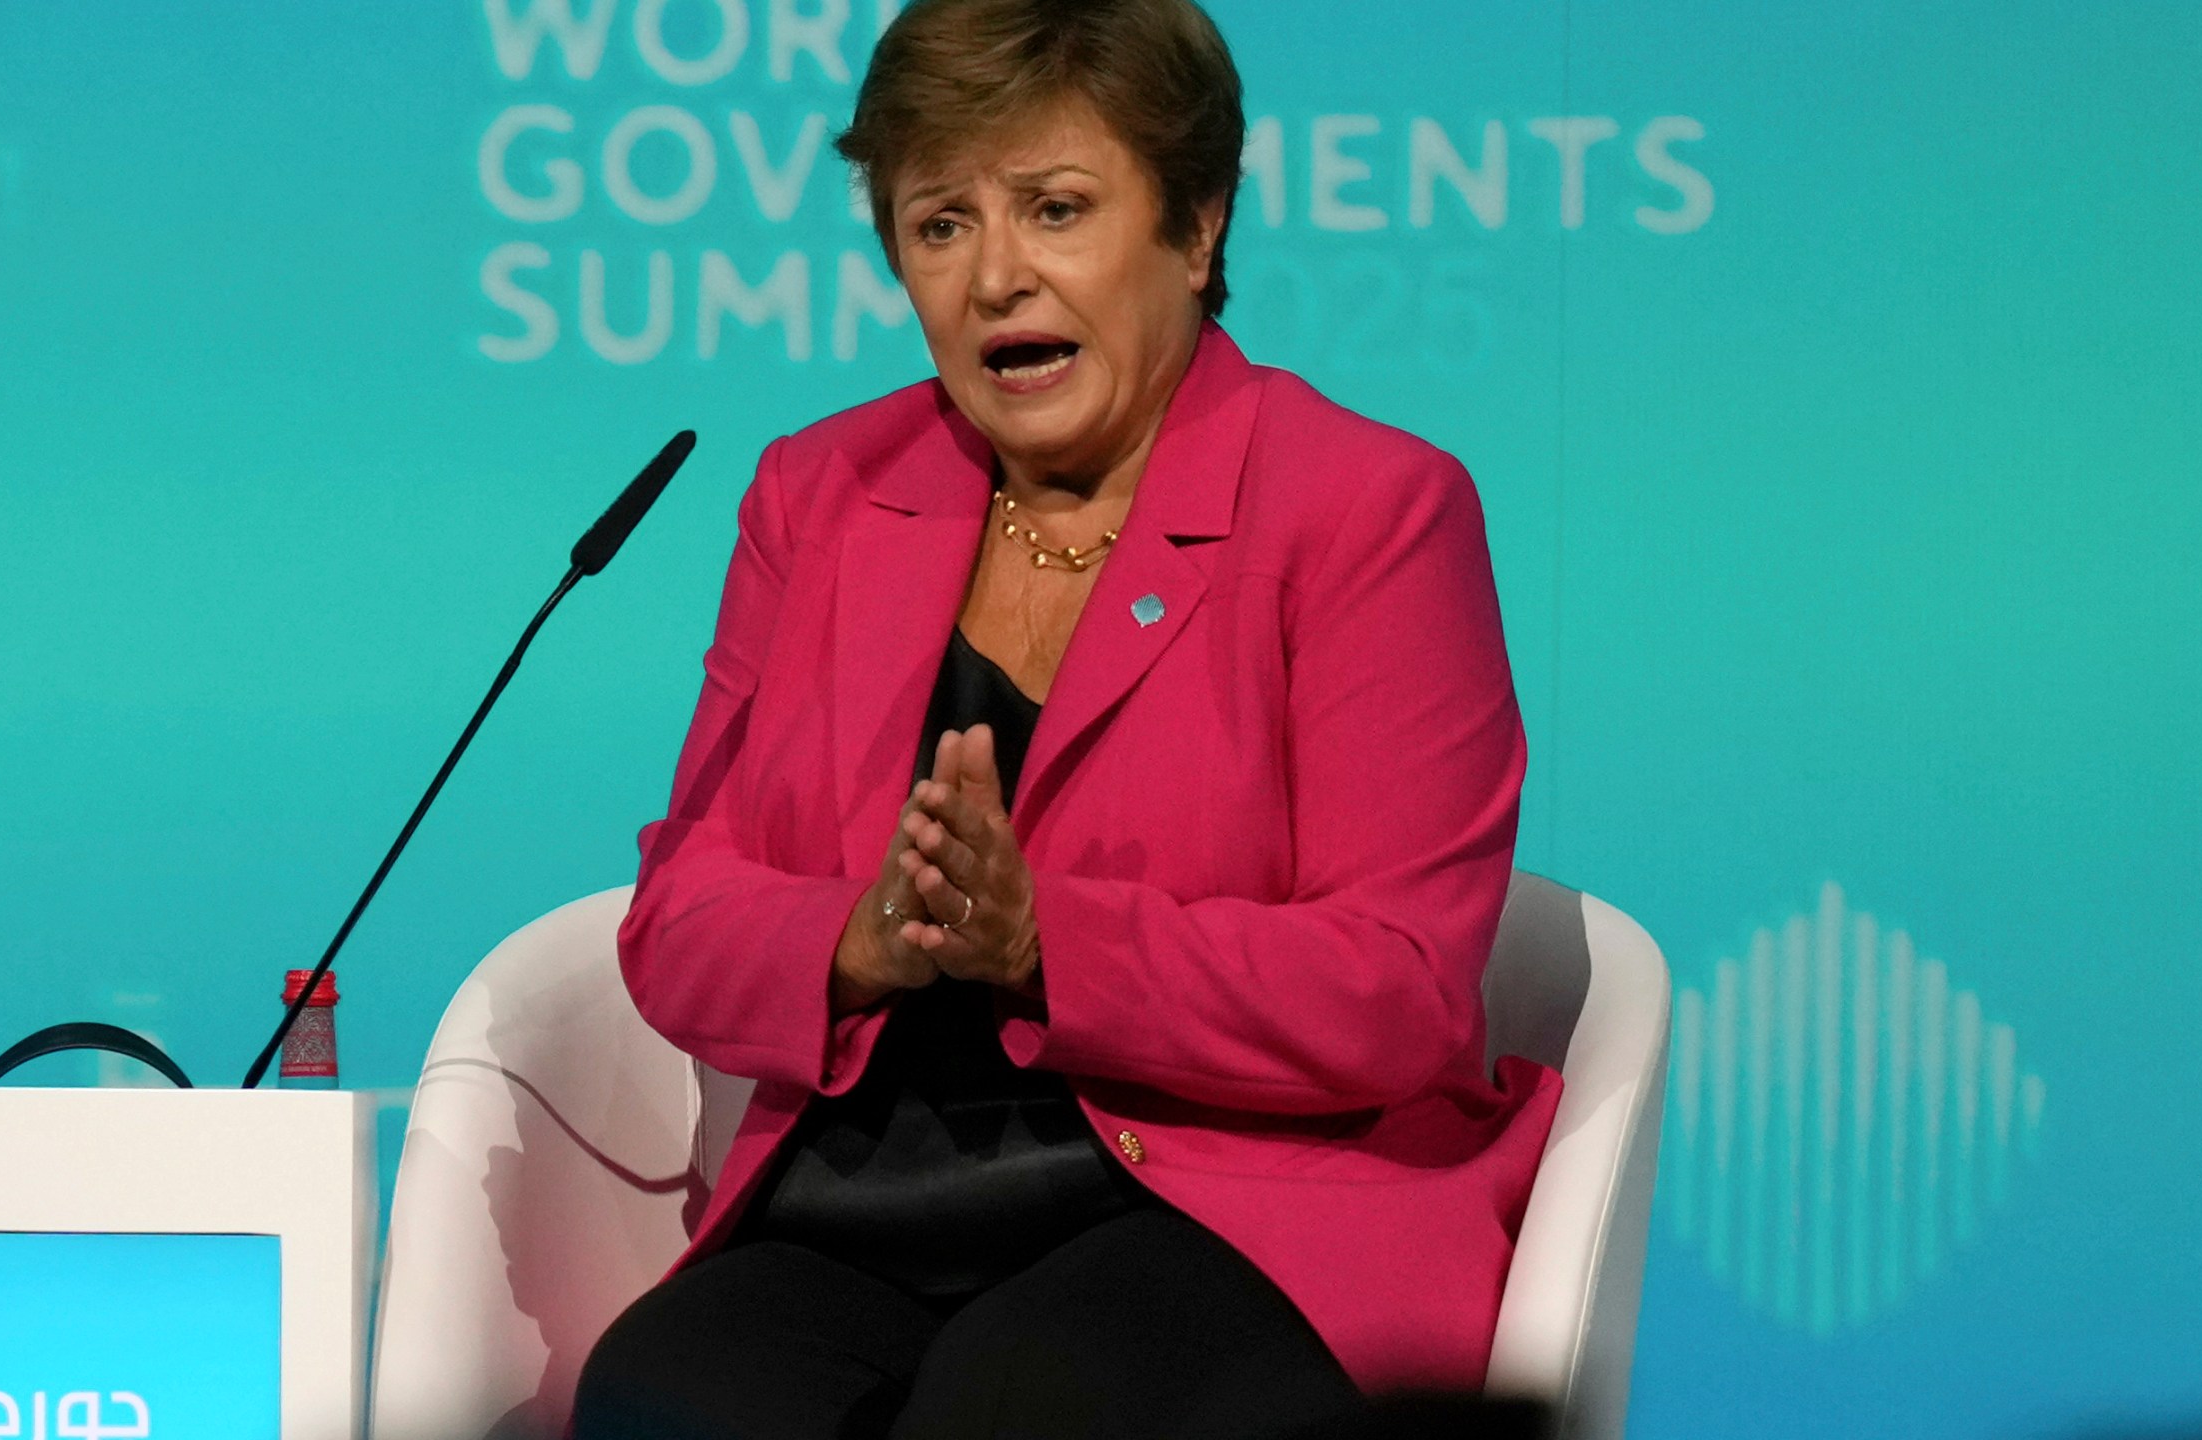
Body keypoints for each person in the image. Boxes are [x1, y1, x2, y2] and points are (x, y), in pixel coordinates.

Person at [577, 0, 1561, 1435]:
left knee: (1015, 1408)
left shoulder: (1367, 510)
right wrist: (858, 939)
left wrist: (1045, 942)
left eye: (1054, 209)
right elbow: (678, 919)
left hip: (1242, 1205)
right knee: (665, 1395)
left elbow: (1400, 987)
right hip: (867, 1201)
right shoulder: (822, 494)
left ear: (1197, 226)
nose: (995, 277)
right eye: (941, 225)